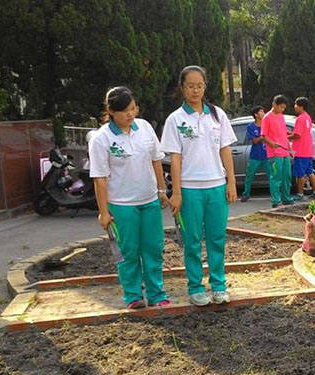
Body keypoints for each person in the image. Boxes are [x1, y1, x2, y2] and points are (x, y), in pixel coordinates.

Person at [161, 66, 237, 306]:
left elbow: (225, 149)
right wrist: (176, 192)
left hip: (216, 187)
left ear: (205, 86)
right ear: (182, 88)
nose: (195, 90)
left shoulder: (217, 115)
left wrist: (231, 181)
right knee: (192, 240)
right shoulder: (175, 120)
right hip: (190, 190)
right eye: (190, 86)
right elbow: (174, 158)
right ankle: (195, 287)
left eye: (199, 85)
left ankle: (219, 284)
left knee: (217, 238)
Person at [89, 87, 170, 310]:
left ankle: (156, 292)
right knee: (129, 251)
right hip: (122, 205)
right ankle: (133, 295)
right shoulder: (101, 138)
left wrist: (162, 191)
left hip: (149, 200)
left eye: (133, 109)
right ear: (111, 111)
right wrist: (104, 211)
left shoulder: (144, 128)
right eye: (125, 111)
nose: (131, 114)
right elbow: (100, 178)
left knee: (153, 248)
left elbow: (156, 160)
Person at [261, 95, 294, 208]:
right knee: (276, 177)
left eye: (284, 108)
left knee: (287, 176)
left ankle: (286, 198)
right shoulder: (267, 117)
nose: (282, 110)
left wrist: (289, 147)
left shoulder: (281, 116)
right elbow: (263, 136)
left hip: (284, 151)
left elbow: (283, 132)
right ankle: (276, 200)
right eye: (281, 107)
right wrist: (272, 144)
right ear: (274, 105)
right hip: (275, 153)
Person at [290, 97, 315, 200]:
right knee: (310, 172)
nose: (294, 106)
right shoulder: (307, 117)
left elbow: (297, 135)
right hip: (308, 150)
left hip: (300, 151)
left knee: (300, 174)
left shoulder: (300, 118)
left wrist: (286, 137)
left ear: (301, 106)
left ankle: (300, 194)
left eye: (296, 104)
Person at [240, 106, 268, 202]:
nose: (263, 113)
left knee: (272, 176)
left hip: (267, 155)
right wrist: (262, 137)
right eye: (261, 112)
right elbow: (254, 141)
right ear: (256, 114)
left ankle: (276, 195)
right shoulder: (251, 127)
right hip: (255, 156)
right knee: (249, 175)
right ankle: (246, 194)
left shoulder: (267, 124)